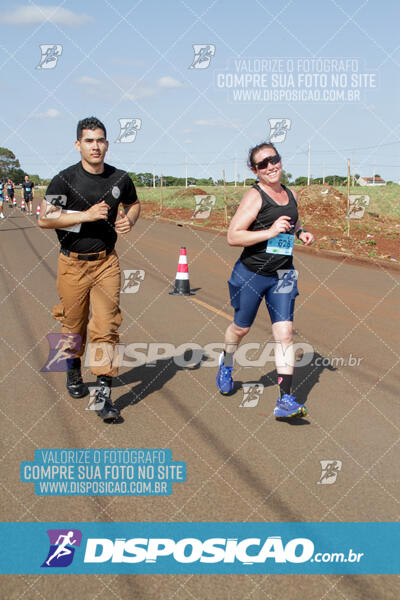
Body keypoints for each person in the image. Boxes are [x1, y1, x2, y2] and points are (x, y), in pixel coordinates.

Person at [38, 116, 140, 421]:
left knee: (106, 327)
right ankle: (72, 370)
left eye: (100, 140)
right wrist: (87, 215)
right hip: (72, 264)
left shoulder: (121, 178)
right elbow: (46, 218)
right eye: (89, 140)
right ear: (78, 144)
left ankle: (104, 396)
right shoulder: (64, 180)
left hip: (106, 262)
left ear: (107, 143)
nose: (95, 146)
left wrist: (129, 220)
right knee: (73, 327)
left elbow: (134, 204)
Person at [216, 142, 314, 418]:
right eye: (263, 163)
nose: (271, 166)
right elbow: (233, 236)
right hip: (252, 275)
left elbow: (291, 223)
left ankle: (285, 401)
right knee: (240, 329)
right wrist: (269, 232)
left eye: (274, 159)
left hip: (282, 275)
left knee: (284, 333)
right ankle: (226, 364)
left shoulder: (291, 194)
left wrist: (300, 232)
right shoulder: (254, 197)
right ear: (255, 170)